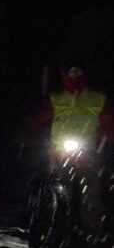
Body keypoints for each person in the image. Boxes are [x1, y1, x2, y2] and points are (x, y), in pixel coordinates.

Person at [30, 60, 113, 232]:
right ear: (65, 75)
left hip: (87, 150)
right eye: (72, 72)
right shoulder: (56, 98)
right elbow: (39, 118)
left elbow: (108, 124)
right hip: (59, 149)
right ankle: (52, 222)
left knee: (90, 188)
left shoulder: (97, 99)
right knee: (57, 183)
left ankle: (91, 230)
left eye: (78, 72)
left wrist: (108, 139)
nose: (75, 76)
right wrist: (30, 129)